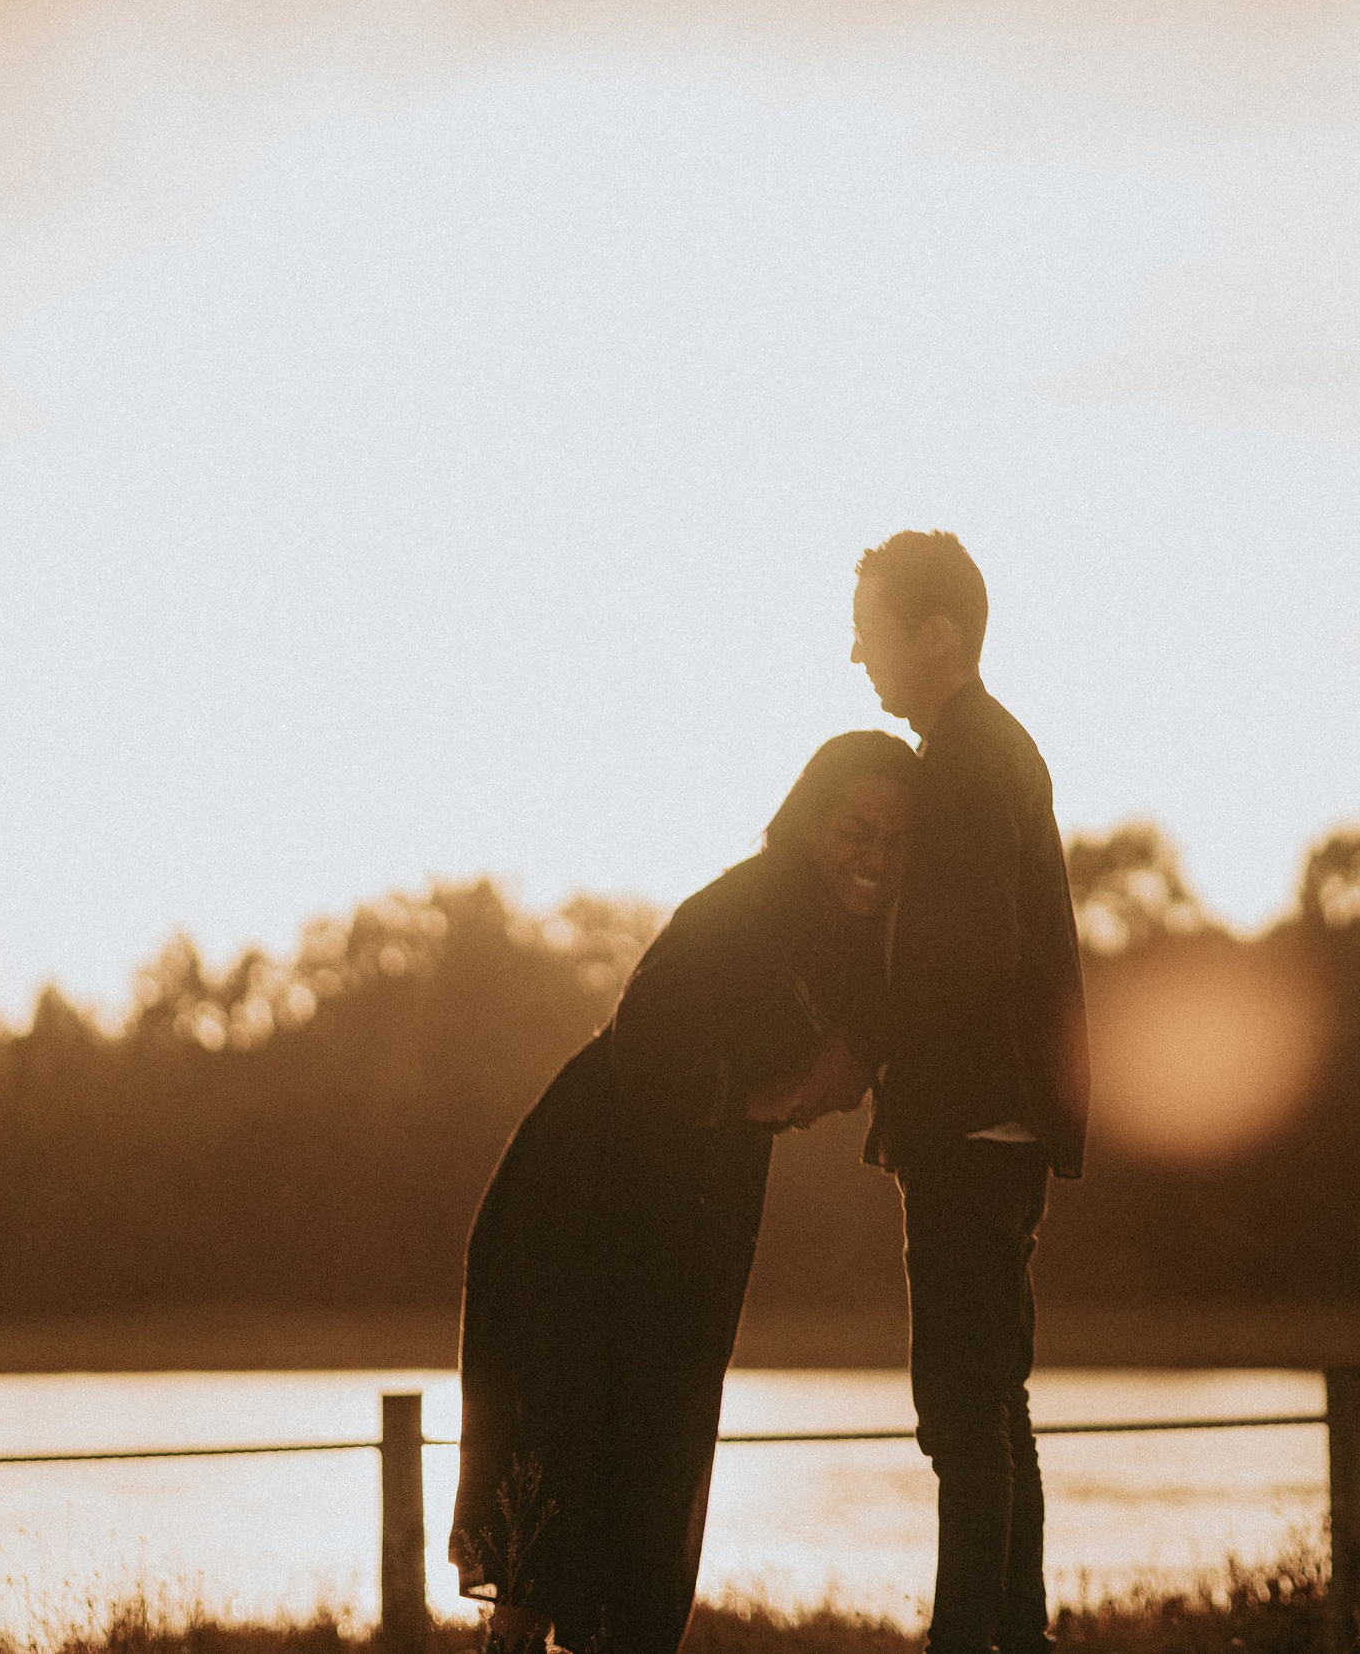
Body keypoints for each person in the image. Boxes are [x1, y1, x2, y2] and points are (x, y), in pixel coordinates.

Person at [448, 730, 919, 1654]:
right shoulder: (744, 909)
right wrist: (765, 1096)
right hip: (582, 1198)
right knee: (571, 1449)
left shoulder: (858, 937)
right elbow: (645, 1044)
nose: (876, 858)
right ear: (810, 820)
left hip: (686, 1205)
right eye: (857, 830)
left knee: (655, 1455)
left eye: (898, 843)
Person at [848, 532, 1091, 1654]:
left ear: (934, 634)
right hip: (999, 1120)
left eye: (871, 629)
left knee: (959, 1412)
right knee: (994, 1398)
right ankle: (1018, 1637)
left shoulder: (967, 766)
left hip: (969, 1123)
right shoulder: (991, 755)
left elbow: (959, 962)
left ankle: (969, 1643)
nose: (858, 657)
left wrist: (858, 1047)